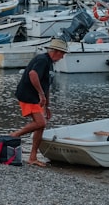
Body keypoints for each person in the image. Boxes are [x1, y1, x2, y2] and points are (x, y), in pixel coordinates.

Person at [10, 37, 67, 166]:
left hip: (36, 97)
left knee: (41, 125)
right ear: (56, 51)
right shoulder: (42, 60)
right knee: (40, 123)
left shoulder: (50, 63)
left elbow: (46, 85)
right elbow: (32, 74)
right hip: (27, 95)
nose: (63, 57)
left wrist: (47, 106)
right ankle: (14, 135)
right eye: (62, 54)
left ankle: (32, 157)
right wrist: (41, 94)